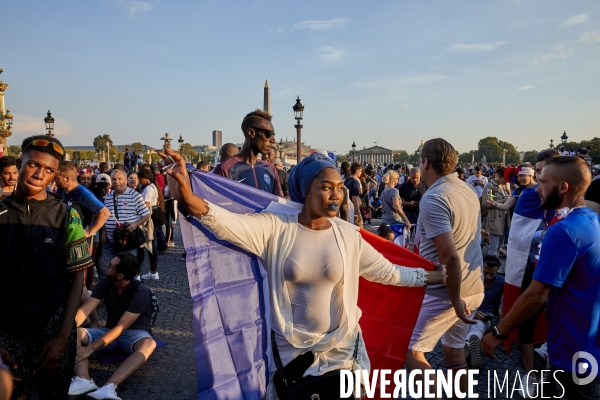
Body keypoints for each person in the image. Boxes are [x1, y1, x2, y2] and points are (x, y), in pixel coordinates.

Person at [160, 148, 446, 399]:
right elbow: (224, 222)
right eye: (326, 187)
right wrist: (187, 195)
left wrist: (431, 276)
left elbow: (389, 273)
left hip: (343, 350)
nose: (336, 195)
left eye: (339, 188)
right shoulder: (275, 228)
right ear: (306, 190)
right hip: (291, 351)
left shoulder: (349, 235)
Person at [482, 156, 600, 399]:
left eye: (543, 182)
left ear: (563, 187)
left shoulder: (563, 231)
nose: (537, 188)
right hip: (589, 346)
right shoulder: (593, 222)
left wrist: (498, 332)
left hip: (572, 350)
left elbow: (536, 294)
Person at [0, 135, 93, 399]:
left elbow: (78, 277)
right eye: (33, 165)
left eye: (50, 170)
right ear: (21, 163)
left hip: (53, 327)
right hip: (7, 330)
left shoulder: (67, 215)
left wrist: (63, 338)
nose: (40, 174)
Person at [406, 138, 484, 397]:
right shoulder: (467, 190)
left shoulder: (434, 197)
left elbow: (449, 257)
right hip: (474, 285)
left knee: (410, 349)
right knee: (454, 348)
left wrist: (455, 299)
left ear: (426, 163)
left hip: (447, 291)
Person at [68, 252, 156, 399]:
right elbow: (85, 310)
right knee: (74, 333)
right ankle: (84, 379)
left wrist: (90, 349)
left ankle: (109, 387)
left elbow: (121, 327)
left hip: (134, 333)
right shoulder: (107, 282)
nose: (106, 267)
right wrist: (66, 330)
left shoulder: (140, 292)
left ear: (120, 275)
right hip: (109, 331)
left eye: (110, 266)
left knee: (149, 344)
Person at [55, 162, 111, 292]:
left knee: (80, 276)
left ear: (67, 178)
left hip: (80, 241)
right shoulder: (61, 190)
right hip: (64, 238)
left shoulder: (83, 193)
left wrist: (90, 231)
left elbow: (105, 212)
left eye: (57, 177)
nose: (54, 180)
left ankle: (85, 299)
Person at [213, 109, 283, 196]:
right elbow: (215, 204)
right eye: (268, 134)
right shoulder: (225, 168)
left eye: (273, 134)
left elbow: (279, 204)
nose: (273, 140)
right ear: (251, 133)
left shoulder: (270, 169)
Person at [102, 170, 150, 267]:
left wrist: (135, 225)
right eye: (114, 179)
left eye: (120, 179)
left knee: (126, 268)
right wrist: (103, 232)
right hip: (110, 239)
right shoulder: (108, 195)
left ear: (125, 181)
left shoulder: (135, 195)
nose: (117, 182)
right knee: (106, 267)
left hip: (128, 239)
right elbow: (104, 215)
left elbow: (146, 215)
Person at [465, 255, 503, 369]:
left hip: (484, 316)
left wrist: (496, 312)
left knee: (478, 325)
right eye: (486, 272)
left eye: (492, 274)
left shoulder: (501, 282)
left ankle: (467, 345)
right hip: (466, 311)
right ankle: (469, 346)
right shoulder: (469, 277)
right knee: (469, 325)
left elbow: (498, 299)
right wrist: (472, 312)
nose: (488, 277)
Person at [137, 169, 164, 280]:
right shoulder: (153, 186)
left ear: (145, 178)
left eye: (140, 179)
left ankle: (145, 272)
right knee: (152, 245)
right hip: (153, 217)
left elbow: (146, 205)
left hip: (148, 219)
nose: (139, 181)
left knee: (146, 245)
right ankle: (153, 271)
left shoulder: (148, 189)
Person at [480, 167, 510, 257]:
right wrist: (502, 201)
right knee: (494, 247)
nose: (508, 180)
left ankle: (494, 266)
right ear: (500, 176)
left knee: (499, 246)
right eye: (506, 177)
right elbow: (485, 203)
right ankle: (489, 267)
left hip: (504, 220)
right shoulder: (491, 186)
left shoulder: (504, 187)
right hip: (495, 220)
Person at [344, 162, 364, 227]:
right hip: (352, 209)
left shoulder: (347, 180)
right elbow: (355, 199)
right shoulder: (356, 182)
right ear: (356, 171)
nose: (361, 173)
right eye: (360, 171)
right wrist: (359, 214)